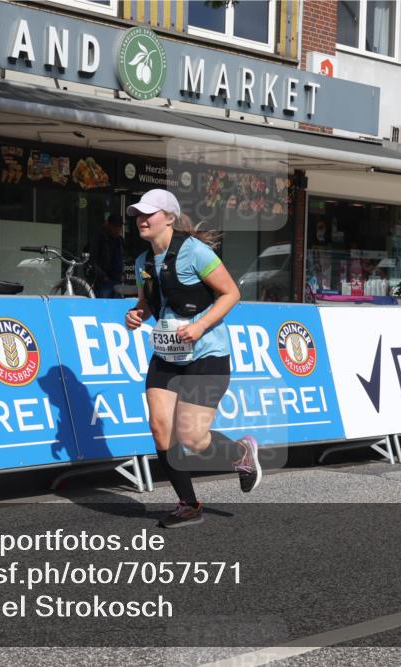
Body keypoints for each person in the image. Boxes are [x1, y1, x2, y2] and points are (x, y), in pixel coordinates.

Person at [124, 189, 261, 529]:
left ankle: (239, 454)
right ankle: (188, 504)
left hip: (207, 353)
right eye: (138, 215)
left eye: (149, 214)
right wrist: (137, 313)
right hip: (168, 354)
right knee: (160, 428)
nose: (141, 220)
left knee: (192, 437)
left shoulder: (195, 253)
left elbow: (232, 293)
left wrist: (199, 326)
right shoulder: (143, 262)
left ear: (168, 218)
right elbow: (148, 302)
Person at [88, 214, 126, 298]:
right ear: (108, 225)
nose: (117, 229)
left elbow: (122, 257)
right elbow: (92, 259)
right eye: (115, 226)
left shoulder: (120, 240)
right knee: (104, 305)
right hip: (104, 281)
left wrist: (123, 273)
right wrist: (102, 276)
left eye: (119, 227)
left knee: (117, 304)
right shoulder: (99, 238)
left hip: (117, 280)